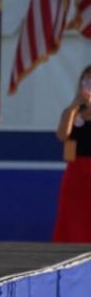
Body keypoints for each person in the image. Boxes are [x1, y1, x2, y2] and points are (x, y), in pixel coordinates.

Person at [52, 65, 91, 243]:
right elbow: (63, 135)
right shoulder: (71, 112)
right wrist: (74, 108)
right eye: (85, 81)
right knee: (73, 220)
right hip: (75, 173)